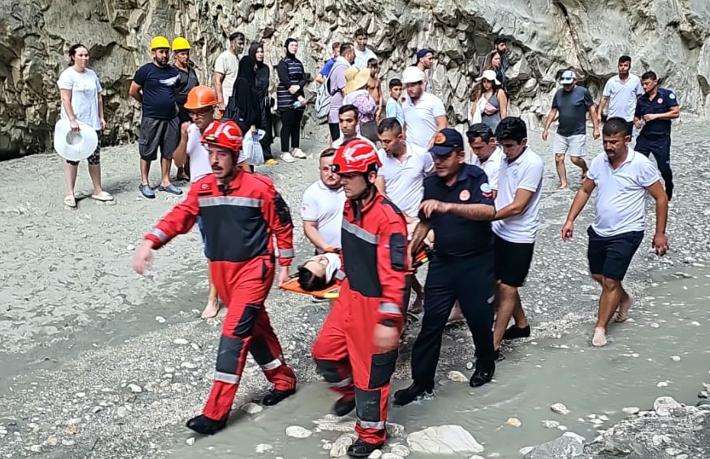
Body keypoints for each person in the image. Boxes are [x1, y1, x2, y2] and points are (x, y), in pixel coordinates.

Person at [132, 119, 298, 435]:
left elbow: (282, 224)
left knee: (234, 334)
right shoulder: (203, 187)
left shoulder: (259, 188)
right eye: (211, 151)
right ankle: (283, 379)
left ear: (236, 154)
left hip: (254, 270)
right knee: (255, 328)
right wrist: (149, 241)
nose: (214, 159)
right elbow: (179, 217)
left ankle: (215, 413)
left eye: (222, 153)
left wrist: (285, 265)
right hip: (222, 273)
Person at [311, 139, 408, 458]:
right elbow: (352, 251)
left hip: (377, 302)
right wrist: (329, 266)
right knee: (324, 352)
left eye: (349, 176)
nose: (342, 182)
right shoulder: (350, 205)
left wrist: (389, 320)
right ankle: (348, 391)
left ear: (369, 176)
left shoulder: (389, 218)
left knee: (372, 375)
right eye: (341, 175)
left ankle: (370, 435)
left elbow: (396, 274)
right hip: (351, 292)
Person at [394, 128, 497, 407]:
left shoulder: (476, 178)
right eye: (435, 156)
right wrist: (410, 251)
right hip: (443, 262)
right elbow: (426, 220)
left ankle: (485, 364)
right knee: (431, 323)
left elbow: (489, 212)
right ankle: (422, 381)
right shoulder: (431, 183)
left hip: (476, 262)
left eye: (444, 156)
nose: (438, 161)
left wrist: (448, 206)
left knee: (479, 320)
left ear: (460, 156)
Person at [562, 117, 669, 346]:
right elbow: (584, 190)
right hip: (600, 230)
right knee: (597, 275)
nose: (609, 147)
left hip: (628, 231)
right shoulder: (599, 161)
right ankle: (624, 297)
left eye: (614, 142)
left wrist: (660, 233)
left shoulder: (640, 164)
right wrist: (570, 219)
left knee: (610, 280)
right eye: (605, 142)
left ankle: (600, 328)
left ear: (627, 140)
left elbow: (661, 197)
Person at [171, 86, 247, 319]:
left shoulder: (226, 131)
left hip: (224, 197)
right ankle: (218, 295)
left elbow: (243, 166)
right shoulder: (192, 132)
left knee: (223, 249)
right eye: (192, 112)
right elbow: (179, 161)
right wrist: (184, 136)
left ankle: (221, 295)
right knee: (213, 250)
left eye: (201, 112)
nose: (195, 117)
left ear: (212, 110)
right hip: (202, 199)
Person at [490, 117, 544, 355]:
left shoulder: (532, 164)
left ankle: (494, 344)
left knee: (508, 289)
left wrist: (487, 216)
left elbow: (518, 205)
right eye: (502, 146)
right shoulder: (505, 158)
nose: (506, 151)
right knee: (502, 285)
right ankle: (521, 325)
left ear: (523, 141)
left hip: (520, 235)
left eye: (510, 146)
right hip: (499, 230)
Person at [375, 118, 433, 312]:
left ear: (400, 137)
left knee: (407, 265)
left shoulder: (421, 155)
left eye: (387, 141)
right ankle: (412, 300)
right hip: (393, 220)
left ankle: (405, 310)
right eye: (381, 141)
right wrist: (400, 215)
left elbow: (433, 182)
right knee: (399, 266)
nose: (383, 146)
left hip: (418, 222)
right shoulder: (380, 158)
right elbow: (380, 193)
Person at [57, 43, 113, 207]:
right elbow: (65, 99)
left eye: (86, 55)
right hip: (76, 124)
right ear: (73, 56)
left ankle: (97, 189)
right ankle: (70, 193)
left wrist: (101, 117)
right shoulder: (68, 75)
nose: (84, 58)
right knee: (72, 158)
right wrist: (72, 119)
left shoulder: (91, 74)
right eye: (80, 55)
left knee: (94, 158)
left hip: (92, 123)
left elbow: (98, 97)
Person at [129, 36, 182, 199]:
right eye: (161, 52)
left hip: (171, 118)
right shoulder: (145, 71)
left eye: (166, 52)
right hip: (152, 118)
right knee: (147, 150)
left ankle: (165, 181)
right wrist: (147, 103)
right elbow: (133, 91)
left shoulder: (174, 72)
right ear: (153, 53)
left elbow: (176, 90)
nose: (164, 55)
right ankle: (144, 183)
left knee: (168, 150)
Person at [542, 70, 600, 190]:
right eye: (564, 84)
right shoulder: (558, 94)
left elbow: (592, 109)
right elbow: (553, 111)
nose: (567, 86)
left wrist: (596, 128)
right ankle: (564, 184)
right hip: (561, 131)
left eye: (569, 83)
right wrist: (546, 128)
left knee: (575, 158)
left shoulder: (583, 92)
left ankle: (585, 168)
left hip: (578, 131)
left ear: (575, 81)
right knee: (558, 157)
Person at [634, 71, 680, 201]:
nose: (644, 87)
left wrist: (656, 116)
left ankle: (669, 186)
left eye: (647, 83)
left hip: (661, 138)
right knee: (636, 163)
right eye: (643, 84)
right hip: (645, 137)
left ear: (655, 82)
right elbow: (636, 115)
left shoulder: (666, 95)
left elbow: (675, 113)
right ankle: (637, 189)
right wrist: (637, 122)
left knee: (663, 168)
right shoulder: (641, 100)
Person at [301, 148, 346, 253]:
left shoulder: (351, 188)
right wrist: (325, 247)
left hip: (352, 252)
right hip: (326, 254)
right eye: (325, 169)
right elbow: (309, 226)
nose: (330, 174)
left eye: (334, 169)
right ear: (319, 170)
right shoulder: (312, 193)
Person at [276, 38, 308, 163]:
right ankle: (284, 151)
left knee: (296, 124)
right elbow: (285, 80)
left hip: (298, 96)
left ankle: (296, 147)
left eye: (296, 45)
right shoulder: (283, 63)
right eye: (292, 45)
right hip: (286, 98)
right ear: (286, 47)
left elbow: (303, 77)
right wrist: (294, 90)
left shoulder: (299, 63)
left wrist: (299, 87)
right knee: (287, 124)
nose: (294, 47)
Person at [172, 36, 199, 182]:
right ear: (175, 54)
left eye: (187, 53)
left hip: (192, 108)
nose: (185, 56)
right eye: (182, 53)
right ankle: (180, 169)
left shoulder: (191, 70)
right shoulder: (172, 72)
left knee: (193, 137)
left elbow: (196, 86)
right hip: (178, 109)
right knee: (179, 139)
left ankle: (190, 168)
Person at [401, 66, 447, 148]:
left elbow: (442, 125)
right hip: (412, 153)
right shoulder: (405, 104)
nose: (410, 89)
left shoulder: (433, 101)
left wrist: (434, 140)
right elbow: (405, 126)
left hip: (431, 152)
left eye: (413, 85)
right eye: (407, 86)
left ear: (421, 84)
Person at [597, 55, 643, 134]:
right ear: (618, 66)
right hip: (613, 117)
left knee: (626, 140)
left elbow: (639, 98)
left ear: (629, 66)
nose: (623, 67)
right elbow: (604, 98)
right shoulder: (611, 81)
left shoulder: (635, 80)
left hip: (629, 118)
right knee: (612, 140)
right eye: (621, 65)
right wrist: (599, 114)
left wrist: (639, 115)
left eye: (625, 65)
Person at [249, 42, 275, 164]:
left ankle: (267, 154)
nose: (260, 54)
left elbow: (267, 86)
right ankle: (253, 154)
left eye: (261, 51)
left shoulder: (265, 69)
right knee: (253, 127)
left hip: (263, 101)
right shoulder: (248, 68)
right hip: (252, 101)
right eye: (257, 52)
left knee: (266, 126)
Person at [227, 54, 261, 138]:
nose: (255, 68)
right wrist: (252, 123)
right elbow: (246, 105)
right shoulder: (243, 82)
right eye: (253, 65)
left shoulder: (245, 81)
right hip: (245, 124)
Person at [327, 43, 355, 142]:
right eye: (353, 53)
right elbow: (344, 89)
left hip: (339, 110)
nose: (354, 56)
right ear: (348, 54)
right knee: (339, 142)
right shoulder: (341, 67)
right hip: (338, 111)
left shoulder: (341, 66)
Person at [467, 123, 503, 197]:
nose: (476, 152)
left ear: (492, 141)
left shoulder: (501, 162)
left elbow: (493, 194)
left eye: (479, 148)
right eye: (473, 148)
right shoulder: (475, 157)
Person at [343, 67, 378, 142]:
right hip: (364, 127)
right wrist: (370, 99)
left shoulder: (348, 97)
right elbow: (368, 108)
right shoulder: (359, 95)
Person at [214, 32, 245, 113]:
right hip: (227, 101)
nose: (242, 47)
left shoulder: (237, 59)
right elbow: (217, 80)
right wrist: (221, 102)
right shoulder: (224, 58)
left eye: (243, 44)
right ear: (232, 43)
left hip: (236, 101)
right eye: (240, 43)